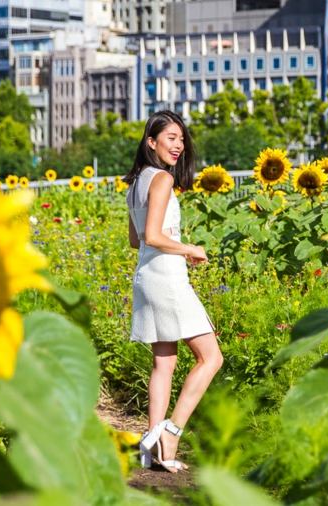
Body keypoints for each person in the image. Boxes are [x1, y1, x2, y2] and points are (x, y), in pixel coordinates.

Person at [123, 110, 223, 473]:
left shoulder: (136, 183)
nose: (179, 145)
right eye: (171, 138)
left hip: (146, 277)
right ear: (152, 142)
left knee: (164, 362)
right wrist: (189, 248)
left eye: (181, 139)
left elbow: (136, 239)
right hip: (166, 278)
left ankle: (152, 444)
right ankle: (171, 433)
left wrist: (168, 244)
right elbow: (151, 236)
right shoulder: (162, 179)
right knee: (211, 358)